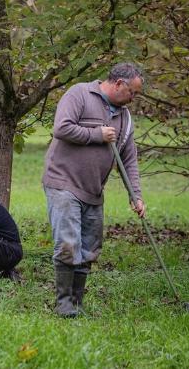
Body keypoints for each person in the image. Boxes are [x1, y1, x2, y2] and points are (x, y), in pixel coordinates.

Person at [43, 62, 146, 317]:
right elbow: (62, 128)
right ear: (119, 84)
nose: (133, 99)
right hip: (63, 181)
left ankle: (77, 303)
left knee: (89, 248)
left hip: (93, 190)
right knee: (68, 244)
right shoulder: (79, 94)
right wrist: (96, 134)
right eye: (132, 92)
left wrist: (136, 195)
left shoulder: (125, 117)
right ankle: (64, 305)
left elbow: (128, 158)